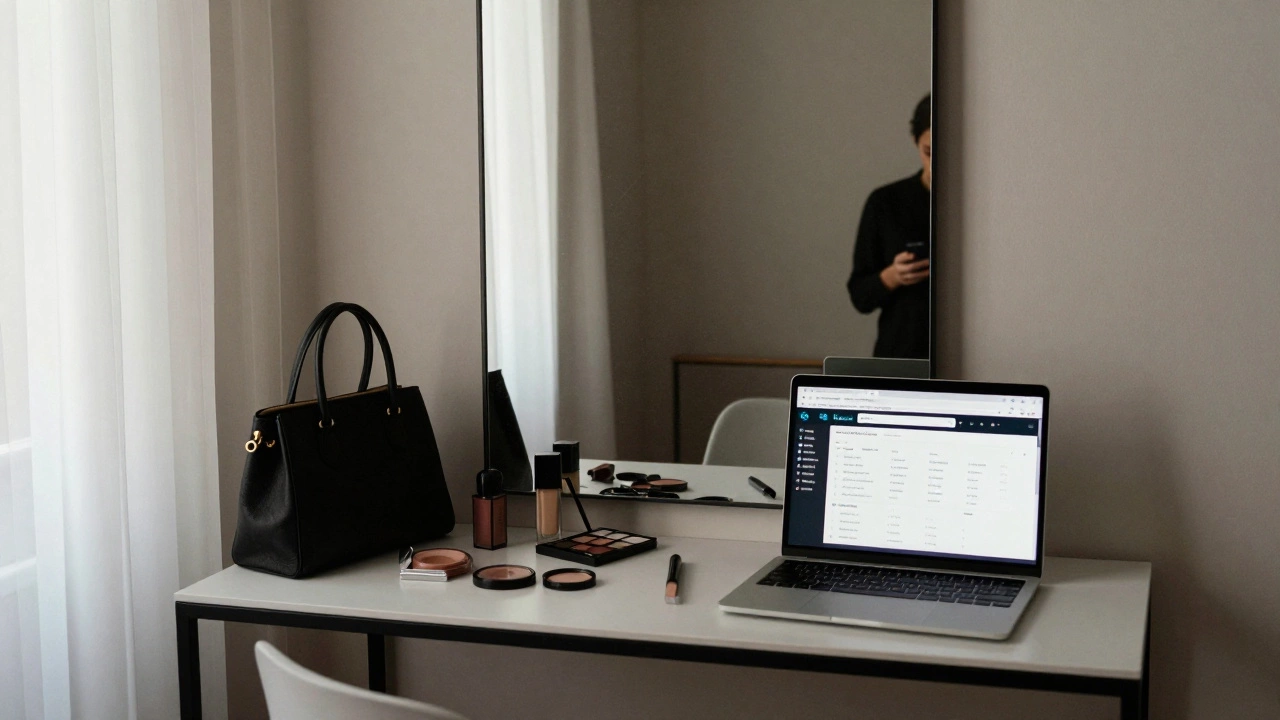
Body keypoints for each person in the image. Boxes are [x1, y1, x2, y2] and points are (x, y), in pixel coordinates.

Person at [847, 94, 932, 359]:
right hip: (902, 353)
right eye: (929, 152)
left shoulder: (987, 204)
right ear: (915, 143)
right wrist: (894, 276)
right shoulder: (886, 203)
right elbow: (860, 296)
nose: (938, 164)